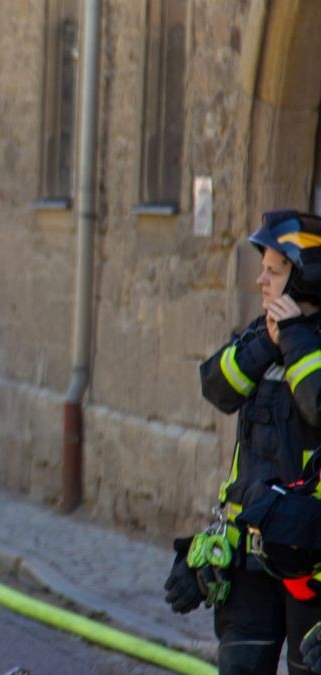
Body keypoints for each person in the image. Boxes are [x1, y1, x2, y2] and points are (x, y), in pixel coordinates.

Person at [166, 210, 321, 673]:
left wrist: (294, 339)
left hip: (309, 564)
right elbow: (216, 386)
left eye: (274, 271)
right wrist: (267, 344)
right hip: (249, 553)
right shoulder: (262, 335)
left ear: (305, 278)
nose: (261, 281)